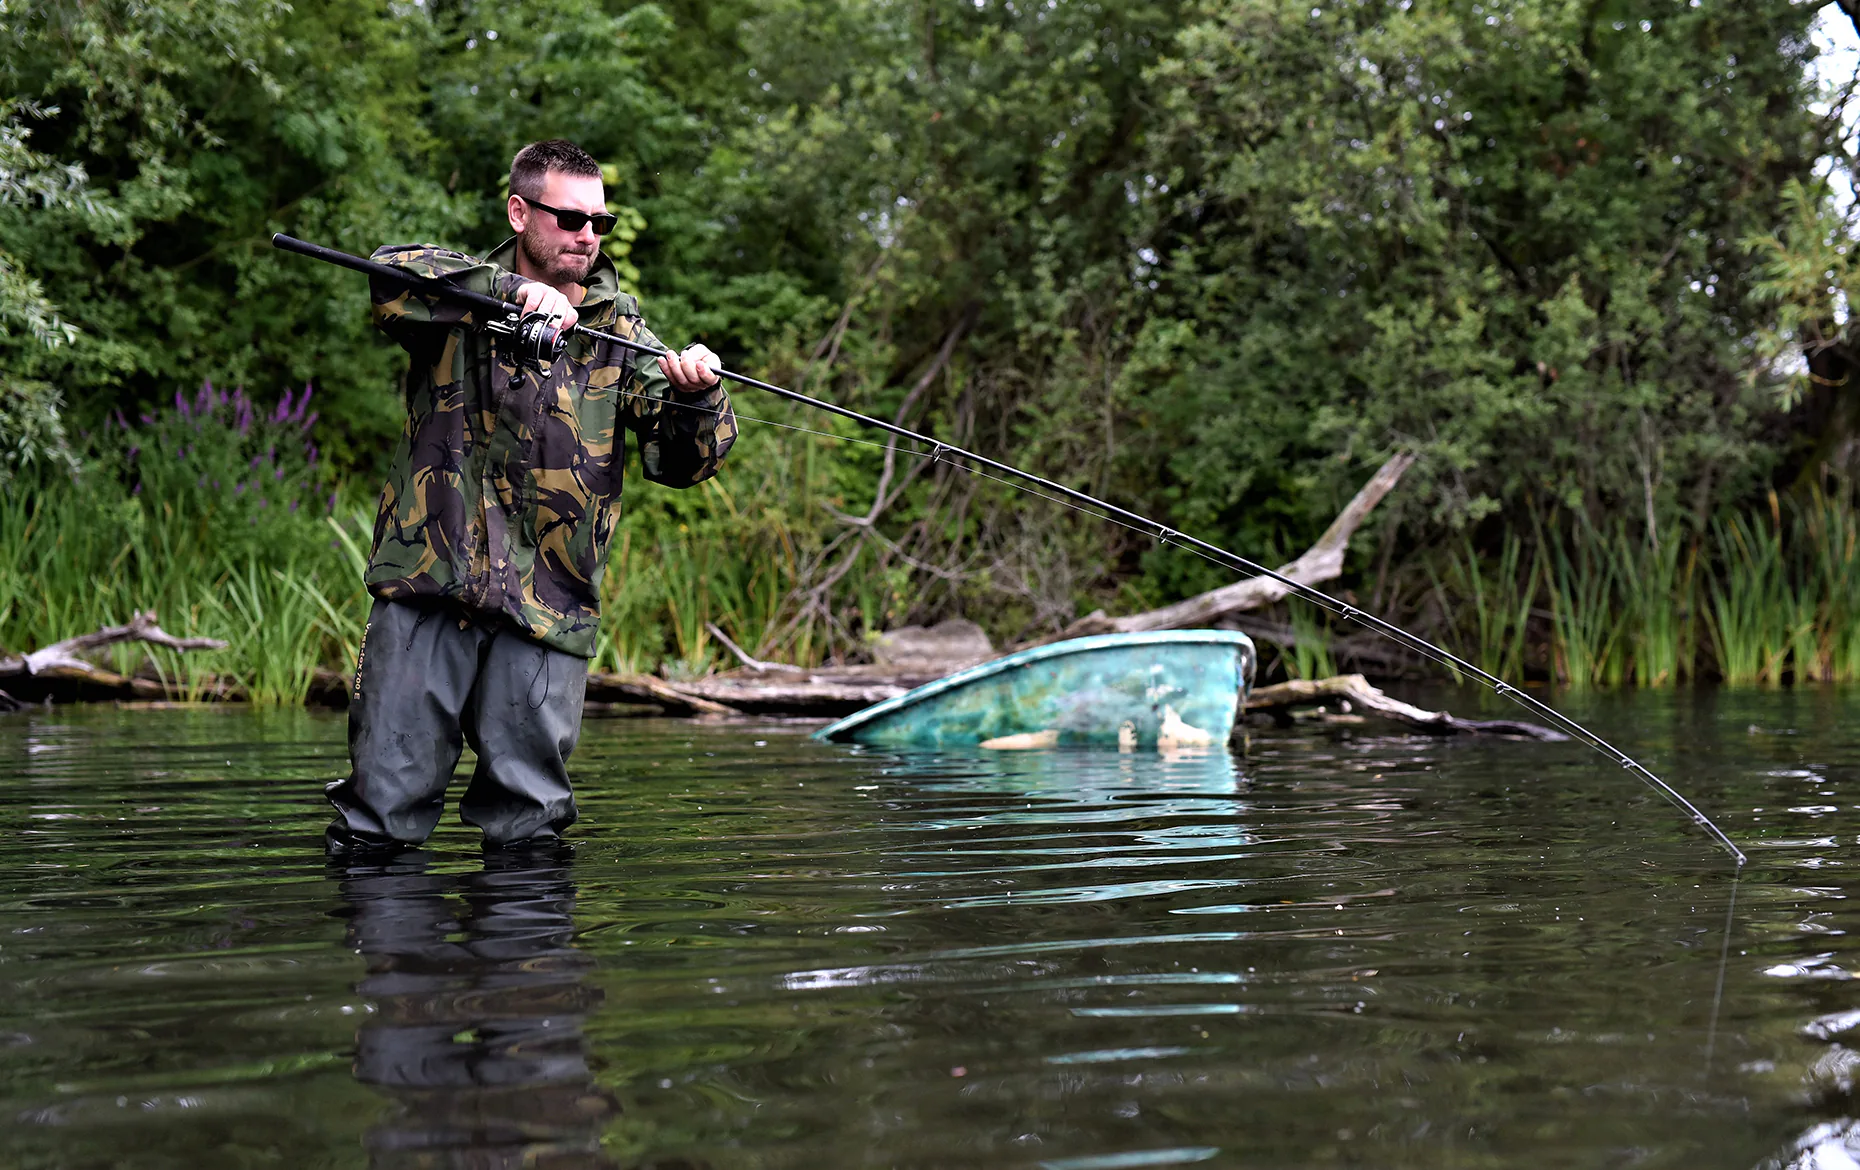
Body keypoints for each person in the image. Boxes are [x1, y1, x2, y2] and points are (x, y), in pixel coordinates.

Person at [325, 139, 737, 853]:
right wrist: (510, 293)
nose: (587, 237)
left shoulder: (622, 331)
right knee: (380, 822)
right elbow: (388, 271)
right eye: (570, 220)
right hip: (428, 590)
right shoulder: (460, 296)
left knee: (528, 832)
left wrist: (698, 398)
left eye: (599, 223)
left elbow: (681, 464)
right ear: (520, 212)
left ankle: (524, 965)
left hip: (550, 612)